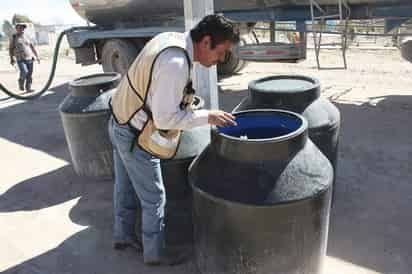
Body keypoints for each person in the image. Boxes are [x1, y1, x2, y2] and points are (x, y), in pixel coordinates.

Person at [108, 14, 239, 266]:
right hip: (135, 134)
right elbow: (166, 120)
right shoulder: (176, 64)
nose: (221, 60)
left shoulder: (171, 40)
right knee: (155, 197)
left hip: (119, 118)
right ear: (206, 41)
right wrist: (207, 116)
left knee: (124, 186)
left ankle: (123, 235)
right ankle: (155, 254)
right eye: (220, 52)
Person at [9, 23, 40, 92]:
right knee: (24, 72)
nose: (22, 29)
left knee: (29, 74)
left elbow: (32, 46)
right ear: (16, 29)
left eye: (23, 28)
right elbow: (11, 49)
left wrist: (37, 56)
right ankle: (21, 81)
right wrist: (11, 58)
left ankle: (28, 88)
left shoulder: (27, 36)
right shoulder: (14, 37)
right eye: (20, 28)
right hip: (20, 58)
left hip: (30, 58)